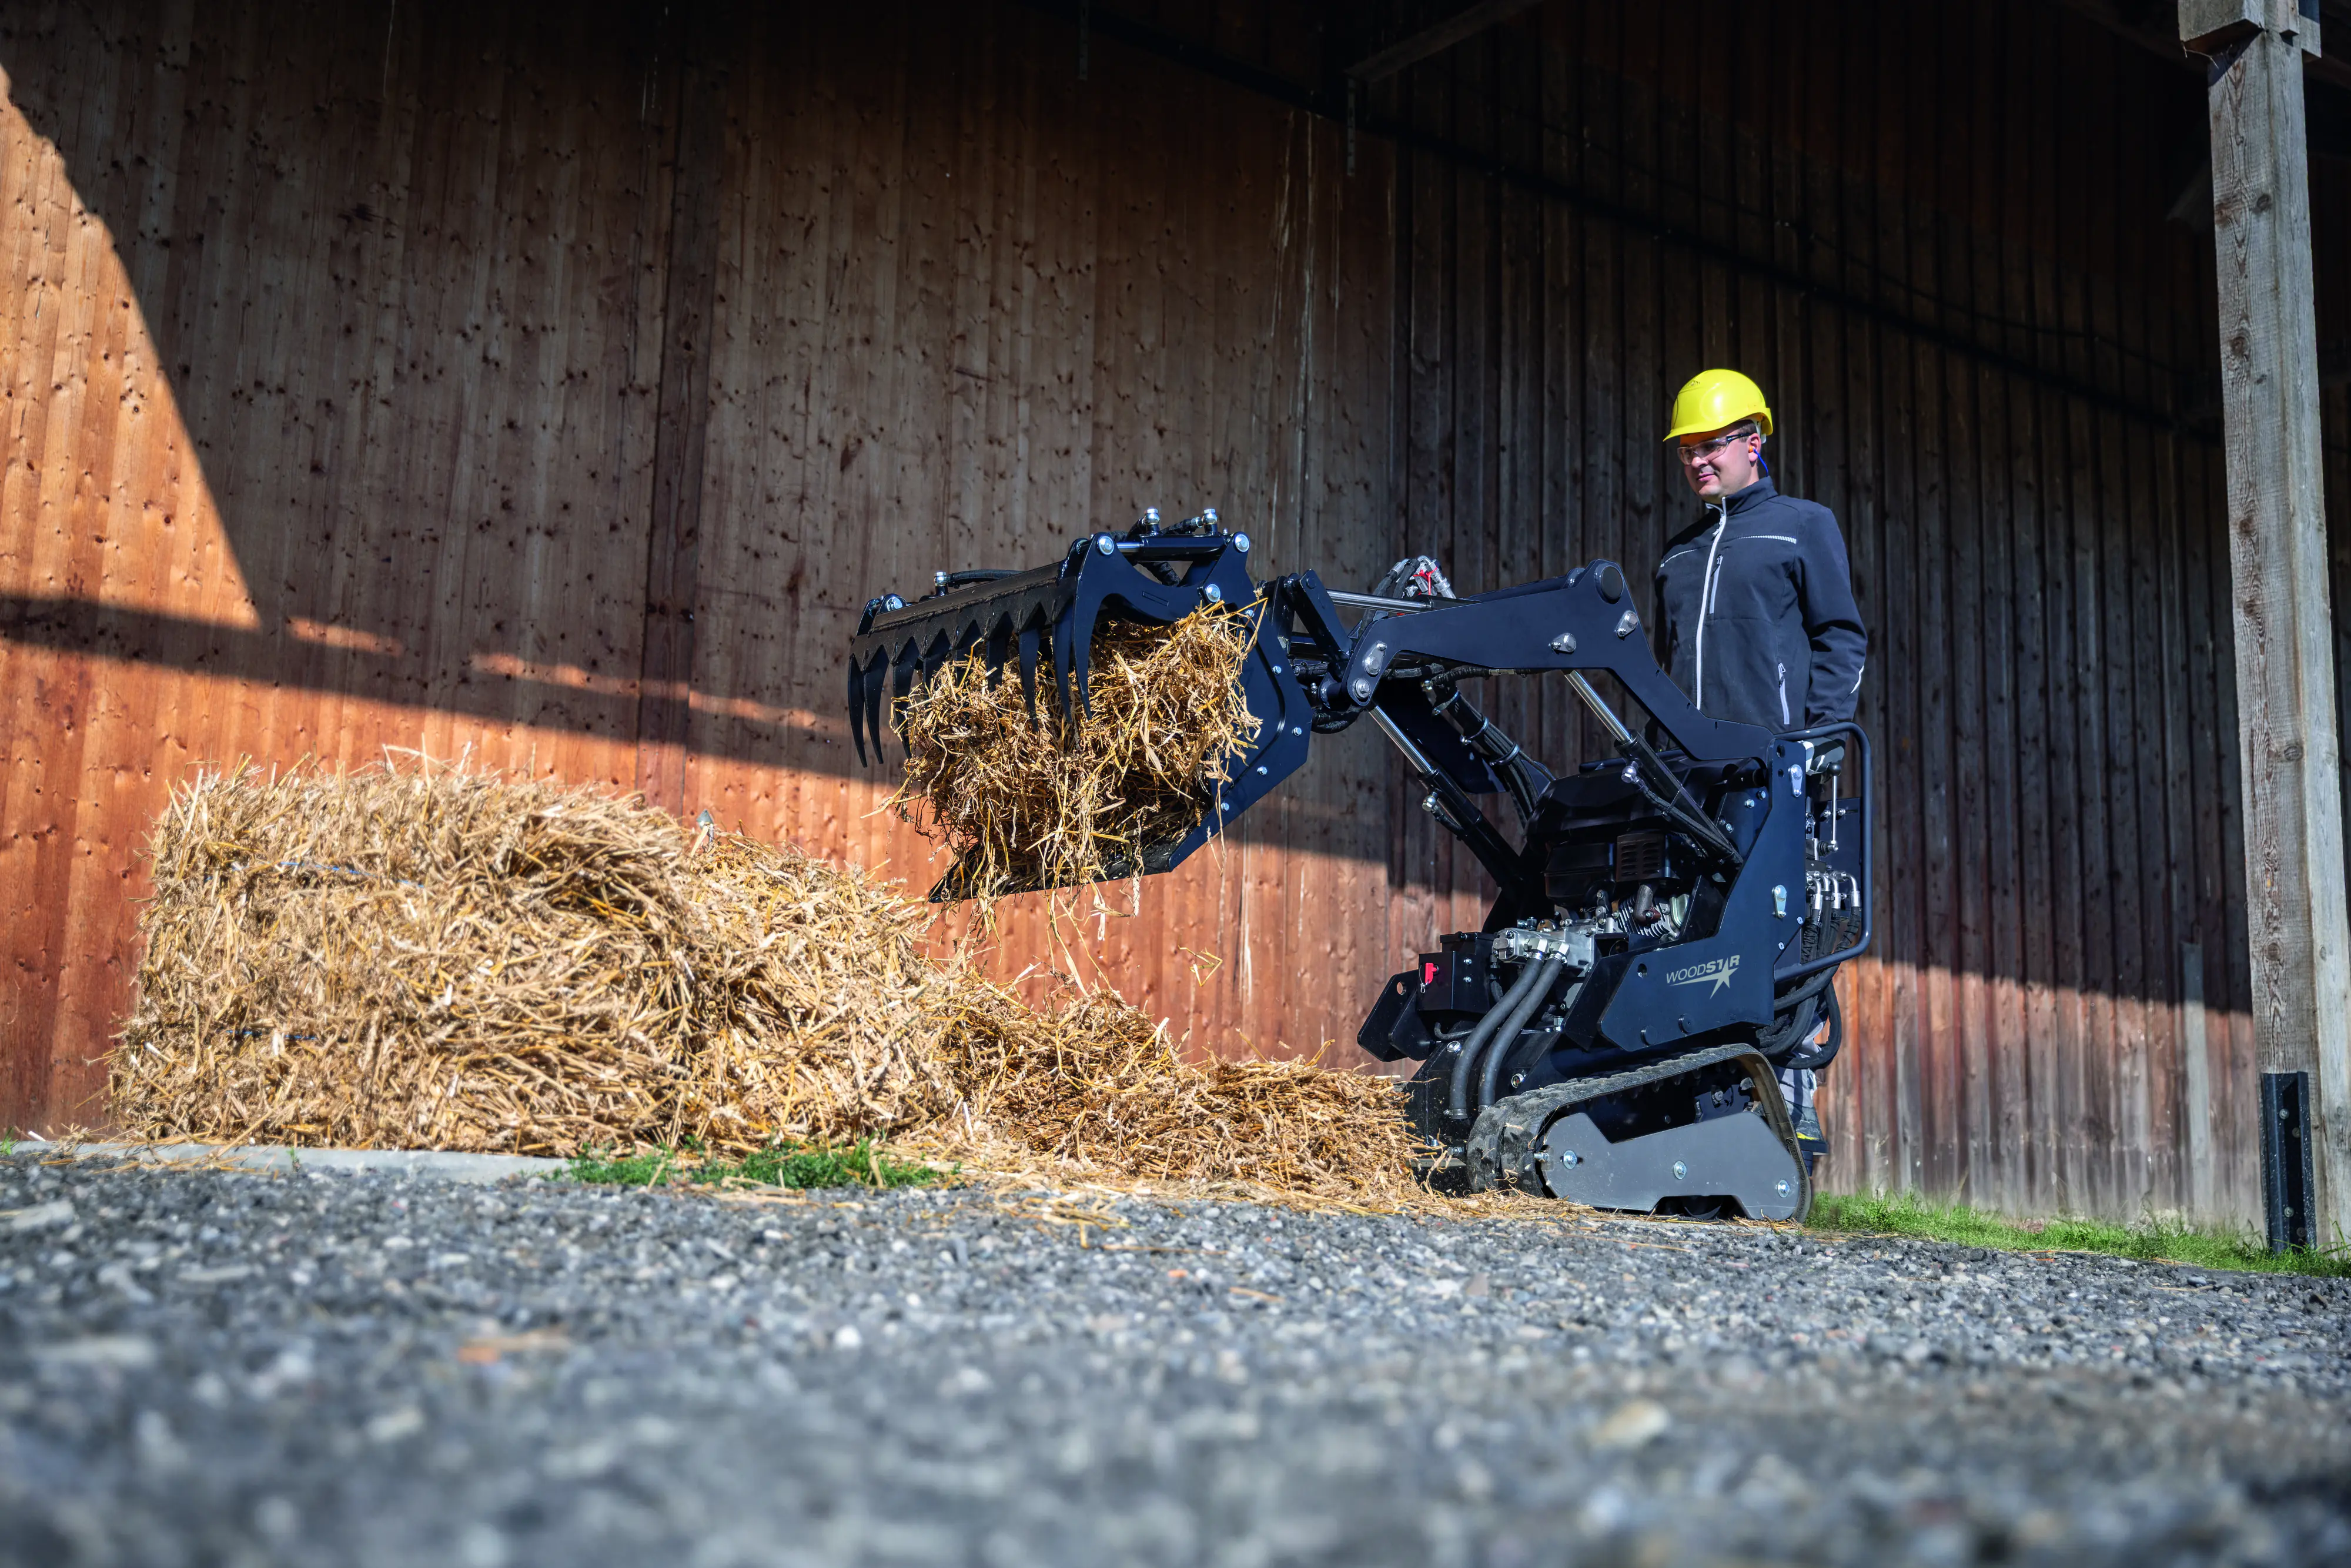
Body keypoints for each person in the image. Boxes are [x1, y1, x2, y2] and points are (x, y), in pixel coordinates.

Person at [1652, 369, 1868, 1173]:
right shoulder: (1678, 554)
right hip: (1690, 779)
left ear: (1754, 440)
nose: (1697, 462)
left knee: (1781, 936)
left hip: (1775, 769)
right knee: (1688, 935)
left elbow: (1840, 638)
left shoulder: (1801, 527)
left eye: (1710, 446)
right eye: (1687, 452)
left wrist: (1815, 742)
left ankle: (1792, 1112)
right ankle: (1695, 1109)